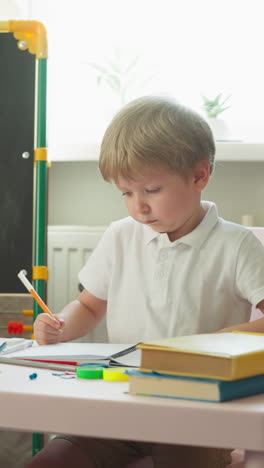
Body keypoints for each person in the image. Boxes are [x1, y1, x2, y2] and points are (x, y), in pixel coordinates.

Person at [26, 95, 264, 468]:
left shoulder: (236, 245)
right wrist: (60, 327)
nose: (139, 206)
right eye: (126, 192)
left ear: (199, 176)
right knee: (51, 460)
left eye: (151, 190)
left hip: (197, 413)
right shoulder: (120, 236)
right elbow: (89, 306)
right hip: (120, 403)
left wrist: (222, 341)